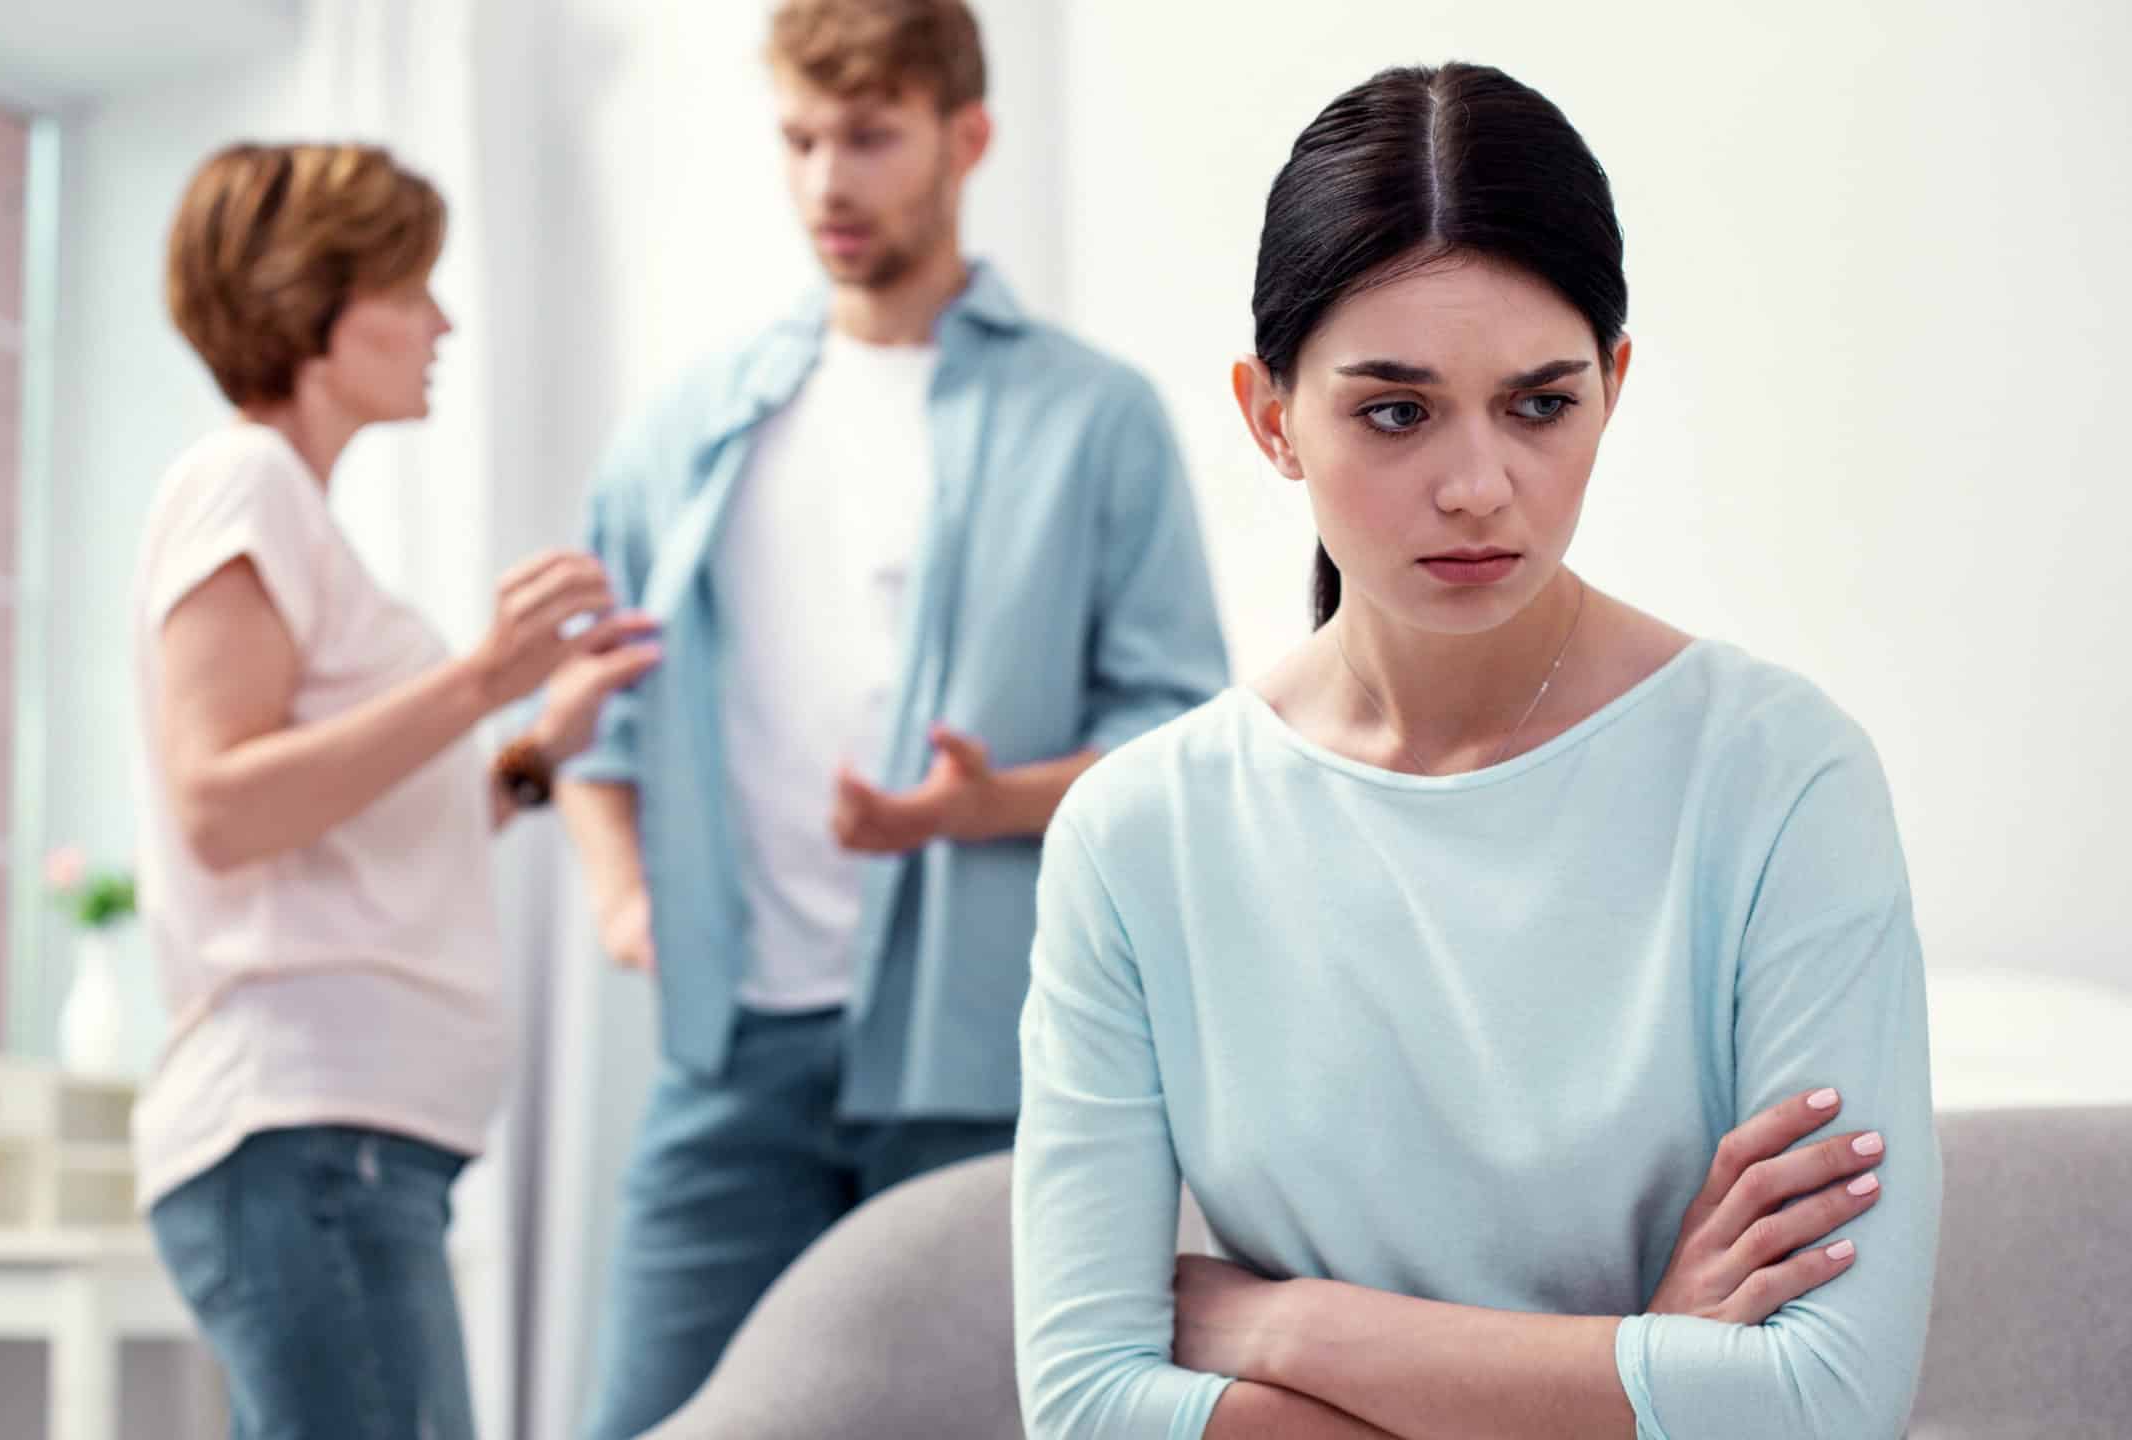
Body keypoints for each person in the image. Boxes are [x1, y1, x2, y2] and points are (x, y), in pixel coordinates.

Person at [1012, 63, 1941, 1440]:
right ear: (1271, 416)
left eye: (1540, 405)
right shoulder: (1140, 834)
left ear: (1611, 389)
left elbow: (1825, 1402)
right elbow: (1086, 1406)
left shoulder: (1778, 779)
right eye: (1396, 411)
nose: (1476, 485)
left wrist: (1292, 1327)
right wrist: (1646, 1366)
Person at [556, 2, 1230, 1433]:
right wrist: (626, 905)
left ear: (965, 137)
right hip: (729, 1055)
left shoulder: (1094, 418)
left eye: (867, 137)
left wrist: (985, 805)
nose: (826, 183)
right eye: (799, 139)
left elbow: (1180, 737)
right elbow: (597, 722)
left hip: (978, 1063)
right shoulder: (679, 433)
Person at [132, 142, 658, 1440]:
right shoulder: (241, 481)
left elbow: (347, 819)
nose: (444, 321)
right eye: (413, 287)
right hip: (304, 1136)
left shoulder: (295, 516)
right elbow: (224, 808)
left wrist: (535, 748)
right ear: (317, 300)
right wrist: (484, 678)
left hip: (349, 1150)